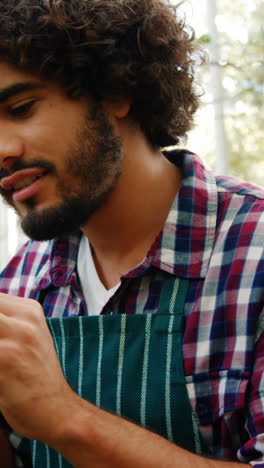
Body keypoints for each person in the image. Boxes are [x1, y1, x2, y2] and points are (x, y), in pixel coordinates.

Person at [0, 0, 263, 466]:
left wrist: (64, 418)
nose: (2, 150)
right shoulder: (20, 281)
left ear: (116, 91)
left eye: (20, 108)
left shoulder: (253, 251)